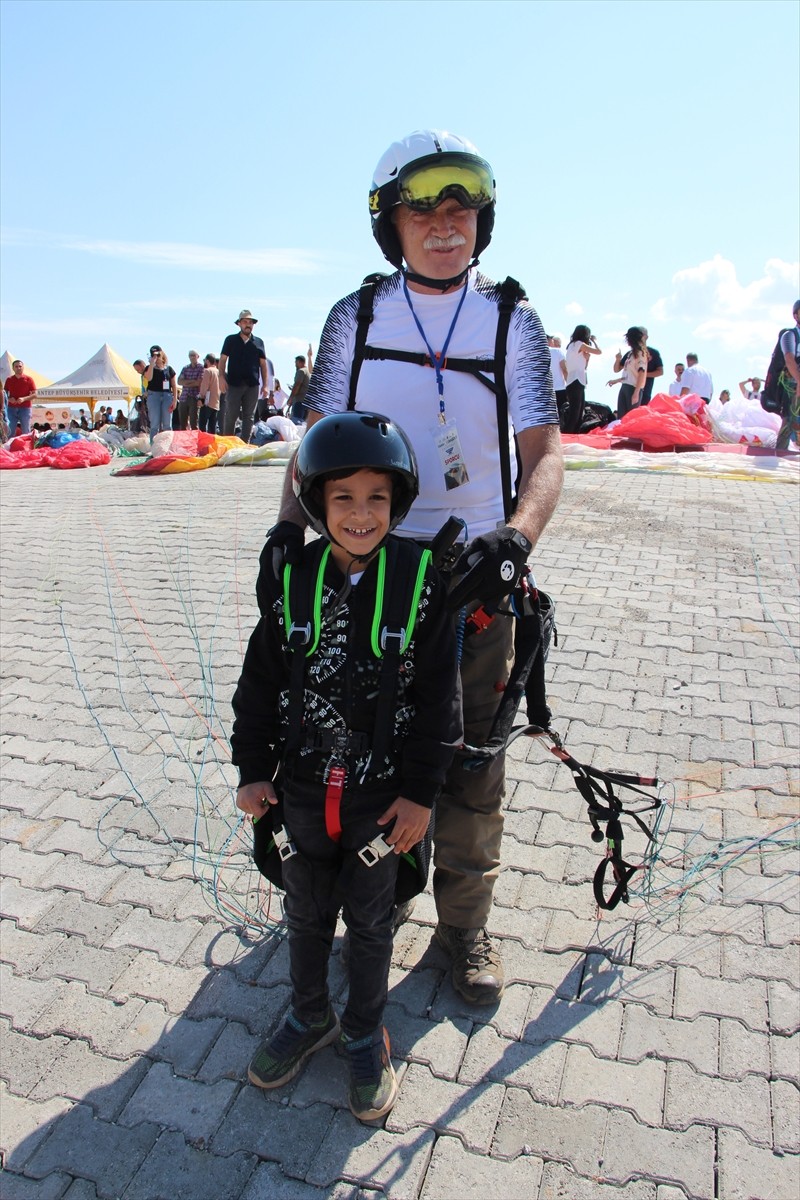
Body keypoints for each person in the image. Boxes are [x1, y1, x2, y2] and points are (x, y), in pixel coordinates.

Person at [261, 129, 563, 1006]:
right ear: (387, 223)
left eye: (460, 206)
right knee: (348, 753)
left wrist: (517, 537)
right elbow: (312, 446)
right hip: (362, 573)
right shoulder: (354, 319)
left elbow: (545, 451)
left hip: (472, 584)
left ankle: (465, 931)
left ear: (483, 221)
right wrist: (289, 539)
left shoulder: (513, 319)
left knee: (470, 763)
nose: (443, 223)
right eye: (421, 207)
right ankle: (354, 909)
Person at [232, 412, 461, 1120]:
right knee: (304, 912)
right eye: (343, 499)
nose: (361, 515)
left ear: (398, 504)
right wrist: (252, 770)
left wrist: (421, 797)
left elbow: (438, 708)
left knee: (370, 921)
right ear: (314, 505)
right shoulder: (293, 579)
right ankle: (309, 1015)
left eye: (377, 499)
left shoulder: (424, 584)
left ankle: (364, 1030)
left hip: (382, 800)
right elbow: (259, 685)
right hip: (300, 791)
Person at [219, 310, 269, 442]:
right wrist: (221, 378)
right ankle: (228, 443)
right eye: (245, 322)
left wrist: (266, 385)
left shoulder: (259, 342)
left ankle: (244, 444)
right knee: (231, 414)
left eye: (251, 322)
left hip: (252, 384)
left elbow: (263, 365)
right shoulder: (230, 340)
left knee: (249, 416)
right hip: (234, 383)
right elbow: (223, 360)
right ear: (239, 323)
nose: (248, 325)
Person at [563, 325, 602, 433]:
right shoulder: (579, 344)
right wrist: (594, 341)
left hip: (576, 380)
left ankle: (572, 434)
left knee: (578, 412)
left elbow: (584, 367)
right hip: (576, 380)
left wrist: (587, 359)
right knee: (575, 413)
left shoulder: (572, 346)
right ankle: (568, 434)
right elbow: (599, 351)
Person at [607, 326, 648, 418]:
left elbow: (641, 373)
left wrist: (636, 392)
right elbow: (619, 370)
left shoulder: (640, 353)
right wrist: (618, 360)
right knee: (621, 417)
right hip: (625, 386)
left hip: (633, 388)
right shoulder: (630, 354)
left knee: (631, 417)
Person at [776, 300, 800, 451]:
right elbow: (789, 360)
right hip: (793, 384)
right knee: (790, 420)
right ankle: (779, 453)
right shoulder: (789, 335)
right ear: (796, 316)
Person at [143, 346, 178, 440]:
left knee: (167, 423)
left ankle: (167, 445)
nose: (156, 357)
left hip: (167, 396)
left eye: (158, 354)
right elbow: (149, 378)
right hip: (153, 395)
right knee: (154, 424)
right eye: (154, 355)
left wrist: (174, 400)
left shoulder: (169, 369)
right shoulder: (149, 368)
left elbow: (174, 385)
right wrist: (151, 364)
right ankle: (154, 446)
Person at [4, 359, 37, 437]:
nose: (18, 368)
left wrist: (24, 399)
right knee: (10, 430)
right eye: (16, 366)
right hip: (11, 408)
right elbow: (4, 393)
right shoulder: (9, 379)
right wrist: (9, 398)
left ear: (23, 367)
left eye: (20, 366)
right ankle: (9, 447)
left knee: (26, 430)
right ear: (13, 368)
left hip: (25, 408)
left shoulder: (29, 379)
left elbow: (35, 394)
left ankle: (26, 447)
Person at [177, 351, 204, 430]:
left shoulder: (201, 367)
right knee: (182, 423)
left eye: (193, 355)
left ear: (197, 356)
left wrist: (185, 382)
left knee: (193, 422)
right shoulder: (185, 368)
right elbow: (179, 381)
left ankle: (194, 440)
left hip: (194, 397)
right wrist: (192, 381)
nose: (192, 357)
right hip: (184, 397)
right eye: (190, 356)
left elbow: (199, 382)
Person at [547, 335, 568, 425]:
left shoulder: (537, 353)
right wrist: (569, 385)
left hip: (545, 390)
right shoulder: (557, 351)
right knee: (561, 414)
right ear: (549, 341)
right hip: (559, 388)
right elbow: (564, 369)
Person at [288, 348, 313, 423]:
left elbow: (297, 385)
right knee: (303, 424)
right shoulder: (308, 372)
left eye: (296, 362)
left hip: (299, 402)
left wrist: (291, 398)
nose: (295, 364)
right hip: (307, 402)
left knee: (297, 423)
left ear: (299, 362)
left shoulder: (301, 371)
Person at [198, 354, 221, 434]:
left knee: (202, 426)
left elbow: (204, 387)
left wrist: (200, 398)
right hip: (216, 403)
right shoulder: (218, 372)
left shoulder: (208, 371)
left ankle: (203, 444)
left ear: (207, 361)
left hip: (207, 402)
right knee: (212, 427)